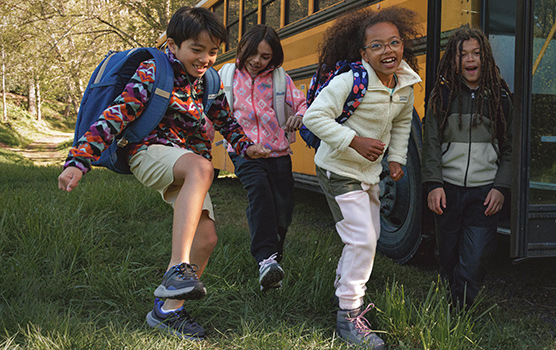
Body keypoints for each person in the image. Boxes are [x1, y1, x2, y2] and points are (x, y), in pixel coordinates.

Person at [57, 7, 270, 341]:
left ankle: (167, 311)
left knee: (207, 238)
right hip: (147, 151)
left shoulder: (209, 81)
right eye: (196, 50)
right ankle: (177, 269)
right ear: (173, 45)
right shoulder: (154, 71)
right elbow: (117, 115)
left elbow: (225, 120)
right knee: (202, 167)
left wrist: (246, 146)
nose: (205, 59)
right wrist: (79, 159)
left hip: (185, 161)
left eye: (212, 52)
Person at [302, 7, 422, 349]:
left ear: (403, 46)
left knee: (370, 235)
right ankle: (349, 315)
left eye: (394, 43)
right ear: (364, 54)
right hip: (338, 170)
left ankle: (345, 287)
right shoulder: (350, 81)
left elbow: (401, 124)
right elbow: (314, 117)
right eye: (378, 46)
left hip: (368, 174)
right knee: (363, 240)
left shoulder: (405, 83)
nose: (388, 51)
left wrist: (397, 159)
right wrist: (353, 140)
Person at [206, 24, 307, 292]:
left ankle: (274, 263)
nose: (257, 61)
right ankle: (265, 259)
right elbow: (208, 111)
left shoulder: (279, 78)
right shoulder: (226, 76)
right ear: (243, 49)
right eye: (253, 54)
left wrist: (301, 115)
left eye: (265, 57)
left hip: (279, 151)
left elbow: (302, 103)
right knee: (259, 191)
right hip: (243, 149)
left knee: (283, 208)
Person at [422, 27, 513, 309]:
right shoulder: (442, 97)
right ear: (454, 60)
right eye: (463, 55)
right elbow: (432, 145)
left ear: (484, 57)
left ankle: (459, 311)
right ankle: (451, 293)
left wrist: (500, 187)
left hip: (484, 193)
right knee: (447, 254)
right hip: (448, 190)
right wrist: (434, 183)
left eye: (476, 53)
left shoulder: (499, 98)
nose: (470, 59)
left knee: (475, 256)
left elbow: (511, 148)